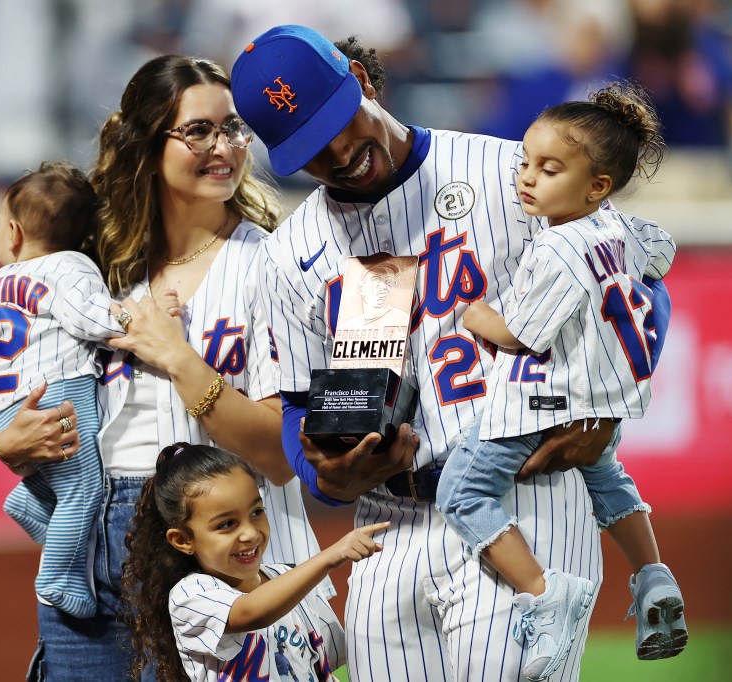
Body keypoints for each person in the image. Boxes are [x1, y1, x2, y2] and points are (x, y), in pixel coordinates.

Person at [232, 25, 673, 681]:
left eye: (339, 122)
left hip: (525, 505)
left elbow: (635, 288)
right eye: (310, 149)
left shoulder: (509, 174)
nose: (337, 153)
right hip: (384, 531)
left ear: (361, 81)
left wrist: (600, 411)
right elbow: (295, 404)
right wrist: (325, 468)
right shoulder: (288, 255)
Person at [0, 54, 327, 681]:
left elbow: (281, 455)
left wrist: (179, 359)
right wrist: (14, 443)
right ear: (147, 139)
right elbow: (26, 381)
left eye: (232, 128)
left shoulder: (276, 263)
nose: (223, 145)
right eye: (198, 130)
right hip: (98, 530)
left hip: (221, 542)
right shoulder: (91, 267)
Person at [436, 83, 687, 679]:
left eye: (549, 169)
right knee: (610, 483)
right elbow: (664, 256)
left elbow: (521, 333)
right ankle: (653, 573)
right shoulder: (624, 230)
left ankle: (544, 594)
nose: (527, 177)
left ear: (596, 185)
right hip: (603, 400)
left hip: (540, 403)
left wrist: (475, 315)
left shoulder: (558, 246)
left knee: (461, 494)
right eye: (526, 161)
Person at [0, 160, 164, 618]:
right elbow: (89, 317)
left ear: (15, 233)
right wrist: (133, 315)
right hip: (59, 393)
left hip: (7, 405)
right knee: (85, 488)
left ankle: (32, 499)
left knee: (66, 488)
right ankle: (58, 576)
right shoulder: (71, 266)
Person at [122, 442, 387, 682]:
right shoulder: (190, 595)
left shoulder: (287, 577)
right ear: (182, 540)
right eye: (227, 524)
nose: (250, 533)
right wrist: (330, 556)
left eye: (256, 512)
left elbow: (334, 658)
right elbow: (250, 612)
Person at [339, 261, 411, 331]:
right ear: (361, 288)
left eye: (387, 281)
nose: (383, 286)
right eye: (376, 279)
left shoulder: (402, 319)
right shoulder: (347, 327)